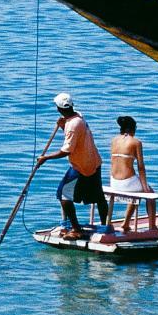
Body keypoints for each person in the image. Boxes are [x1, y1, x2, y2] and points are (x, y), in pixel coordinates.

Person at [40, 92, 110, 237]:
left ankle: (76, 229)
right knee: (98, 197)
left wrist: (45, 158)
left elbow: (67, 150)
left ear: (59, 109)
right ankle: (105, 226)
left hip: (81, 166)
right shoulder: (79, 116)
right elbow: (76, 136)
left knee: (63, 195)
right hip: (94, 163)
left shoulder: (72, 125)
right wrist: (62, 126)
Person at [109, 115, 155, 229]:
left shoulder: (114, 140)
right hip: (127, 182)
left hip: (114, 182)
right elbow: (141, 167)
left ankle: (126, 223)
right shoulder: (136, 142)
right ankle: (153, 227)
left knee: (136, 189)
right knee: (150, 194)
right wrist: (145, 188)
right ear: (131, 129)